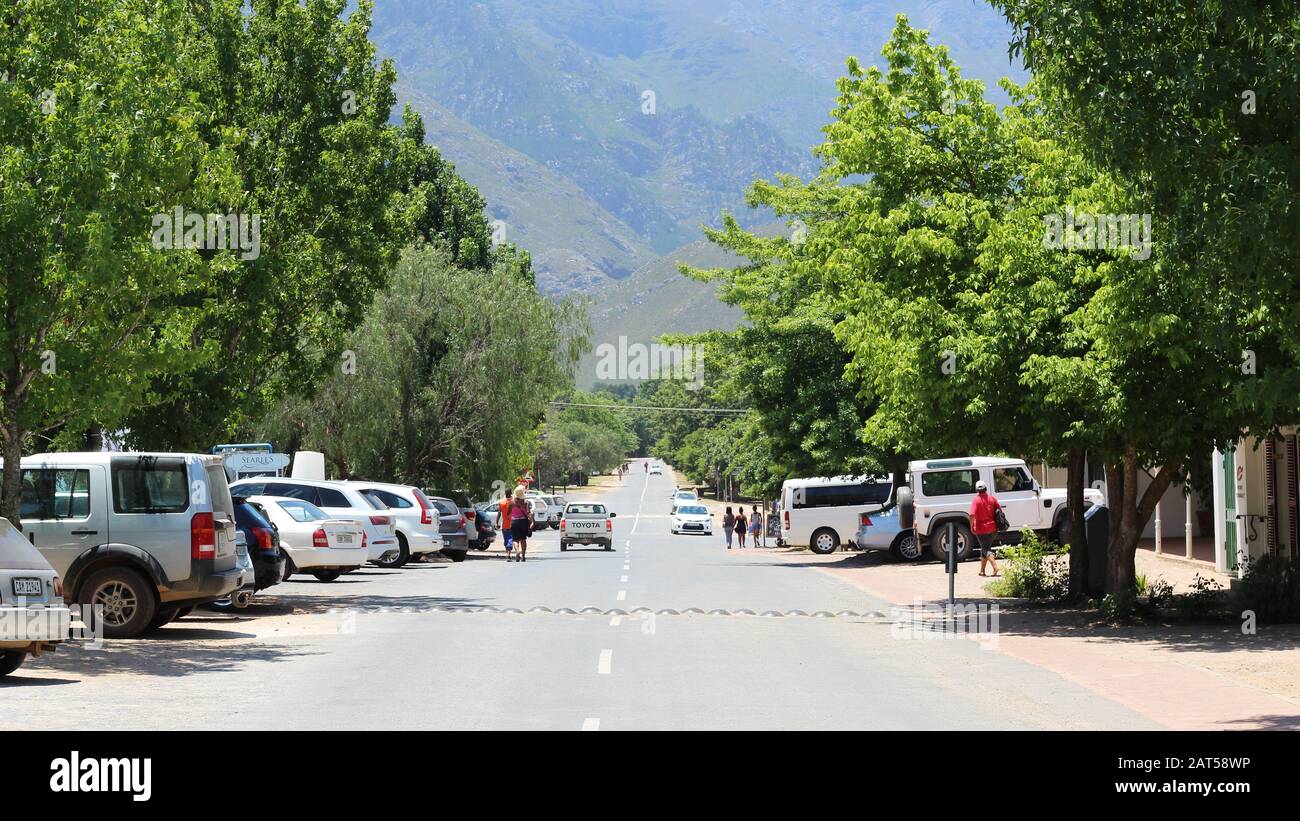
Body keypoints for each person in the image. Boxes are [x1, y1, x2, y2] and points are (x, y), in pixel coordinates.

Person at [969, 480, 1002, 577]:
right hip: (993, 528)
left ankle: (995, 567)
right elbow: (1000, 511)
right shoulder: (992, 498)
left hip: (981, 529)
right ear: (985, 488)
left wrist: (971, 526)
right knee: (985, 548)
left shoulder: (976, 500)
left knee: (985, 549)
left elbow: (971, 515)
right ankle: (982, 571)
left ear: (976, 489)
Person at [509, 485, 532, 562]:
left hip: (514, 522)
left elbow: (508, 513)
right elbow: (528, 512)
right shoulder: (526, 502)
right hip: (523, 522)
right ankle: (523, 556)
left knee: (515, 540)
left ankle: (517, 551)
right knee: (523, 539)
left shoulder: (512, 502)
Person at [498, 495, 514, 559]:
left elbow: (499, 513)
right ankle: (508, 554)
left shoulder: (501, 503)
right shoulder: (513, 503)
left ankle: (508, 554)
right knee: (510, 539)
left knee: (506, 540)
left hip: (504, 525)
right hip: (511, 525)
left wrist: (496, 522)